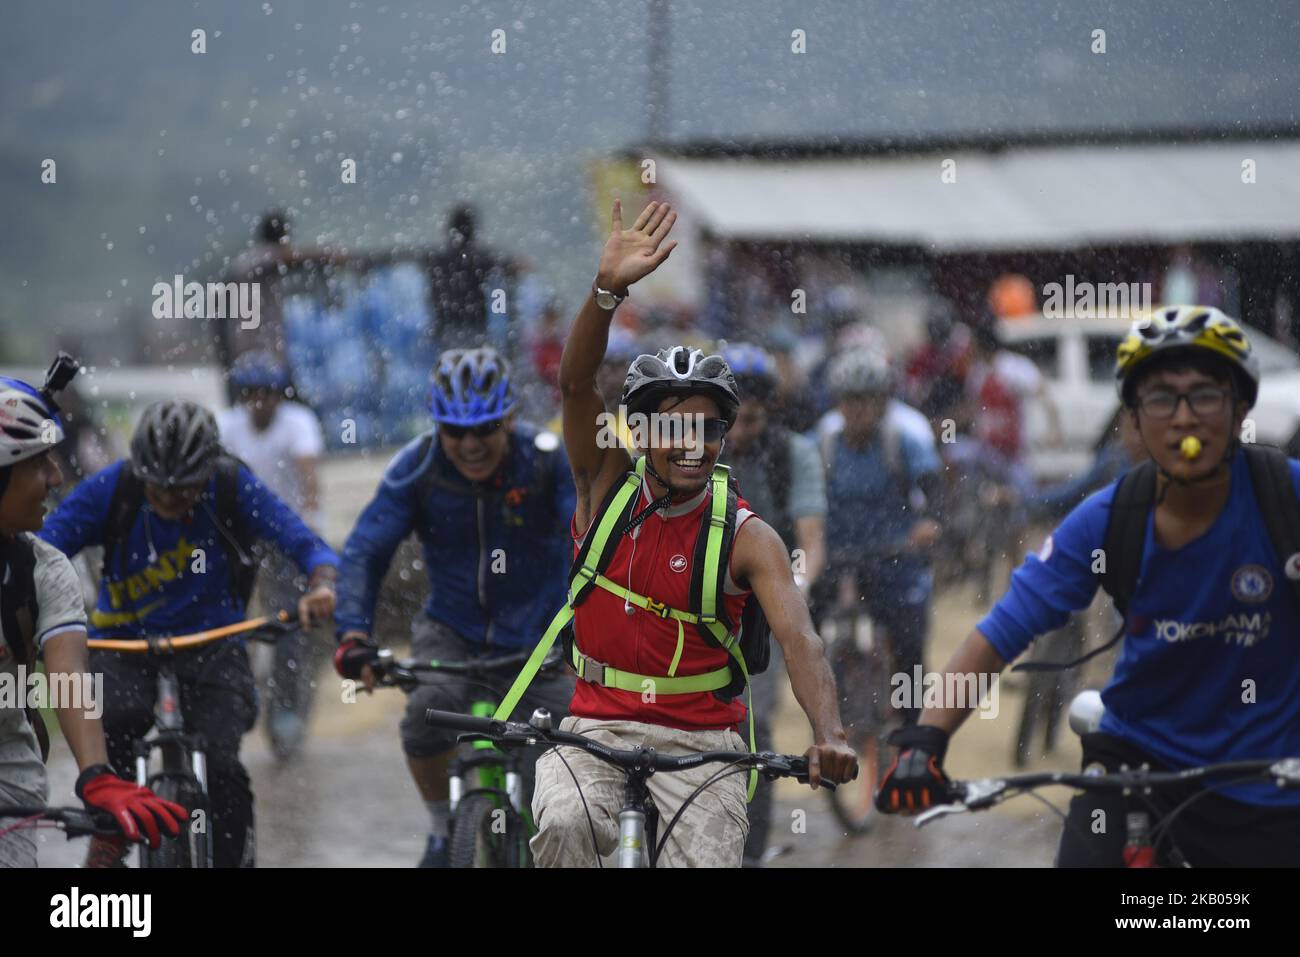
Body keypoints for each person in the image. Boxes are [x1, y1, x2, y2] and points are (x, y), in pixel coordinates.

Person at [877, 306, 1300, 867]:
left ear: (1240, 406)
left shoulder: (1286, 501)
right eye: (1160, 398)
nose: (1183, 417)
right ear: (1132, 417)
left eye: (1204, 395)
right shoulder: (1108, 519)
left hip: (1274, 782)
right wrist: (927, 740)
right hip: (1134, 773)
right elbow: (999, 635)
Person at [520, 199, 856, 868]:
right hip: (594, 727)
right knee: (560, 823)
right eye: (674, 427)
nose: (693, 445)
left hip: (705, 741)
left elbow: (799, 636)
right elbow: (576, 380)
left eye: (707, 428)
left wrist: (831, 733)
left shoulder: (748, 536)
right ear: (638, 434)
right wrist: (606, 291)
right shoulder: (602, 483)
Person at [39, 400, 339, 867]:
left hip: (214, 641)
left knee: (223, 766)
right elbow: (44, 550)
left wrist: (321, 583)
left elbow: (303, 541)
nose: (172, 501)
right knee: (111, 732)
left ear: (209, 471)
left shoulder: (232, 485)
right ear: (142, 474)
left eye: (186, 489)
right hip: (124, 640)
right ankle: (110, 836)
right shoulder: (113, 488)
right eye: (159, 490)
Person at [332, 347, 577, 868]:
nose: (469, 444)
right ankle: (443, 829)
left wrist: (591, 629)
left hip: (541, 640)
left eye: (485, 428)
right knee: (424, 714)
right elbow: (364, 552)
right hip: (452, 633)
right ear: (437, 426)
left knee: (564, 764)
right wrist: (353, 635)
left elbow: (592, 540)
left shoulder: (547, 459)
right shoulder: (417, 466)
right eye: (454, 430)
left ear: (509, 418)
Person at [0, 360, 187, 868]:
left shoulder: (45, 570)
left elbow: (68, 675)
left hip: (6, 774)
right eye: (38, 464)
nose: (56, 477)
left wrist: (97, 776)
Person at [719, 341, 828, 865]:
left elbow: (810, 534)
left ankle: (750, 851)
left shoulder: (794, 453)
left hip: (764, 610)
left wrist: (797, 587)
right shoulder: (697, 452)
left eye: (752, 420)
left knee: (750, 728)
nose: (738, 433)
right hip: (699, 604)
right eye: (729, 420)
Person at [816, 347, 942, 727]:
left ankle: (912, 730)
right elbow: (801, 495)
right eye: (849, 401)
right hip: (836, 554)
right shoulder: (822, 444)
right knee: (802, 627)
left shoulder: (902, 441)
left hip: (893, 555)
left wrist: (930, 523)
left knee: (909, 640)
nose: (857, 410)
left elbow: (934, 488)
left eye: (866, 401)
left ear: (883, 402)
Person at [217, 351, 328, 762]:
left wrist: (311, 524)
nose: (260, 403)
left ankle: (284, 705)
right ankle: (235, 691)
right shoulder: (227, 426)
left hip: (288, 534)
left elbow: (308, 473)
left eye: (267, 394)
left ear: (280, 396)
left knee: (286, 622)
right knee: (228, 617)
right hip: (240, 536)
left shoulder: (298, 423)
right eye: (252, 394)